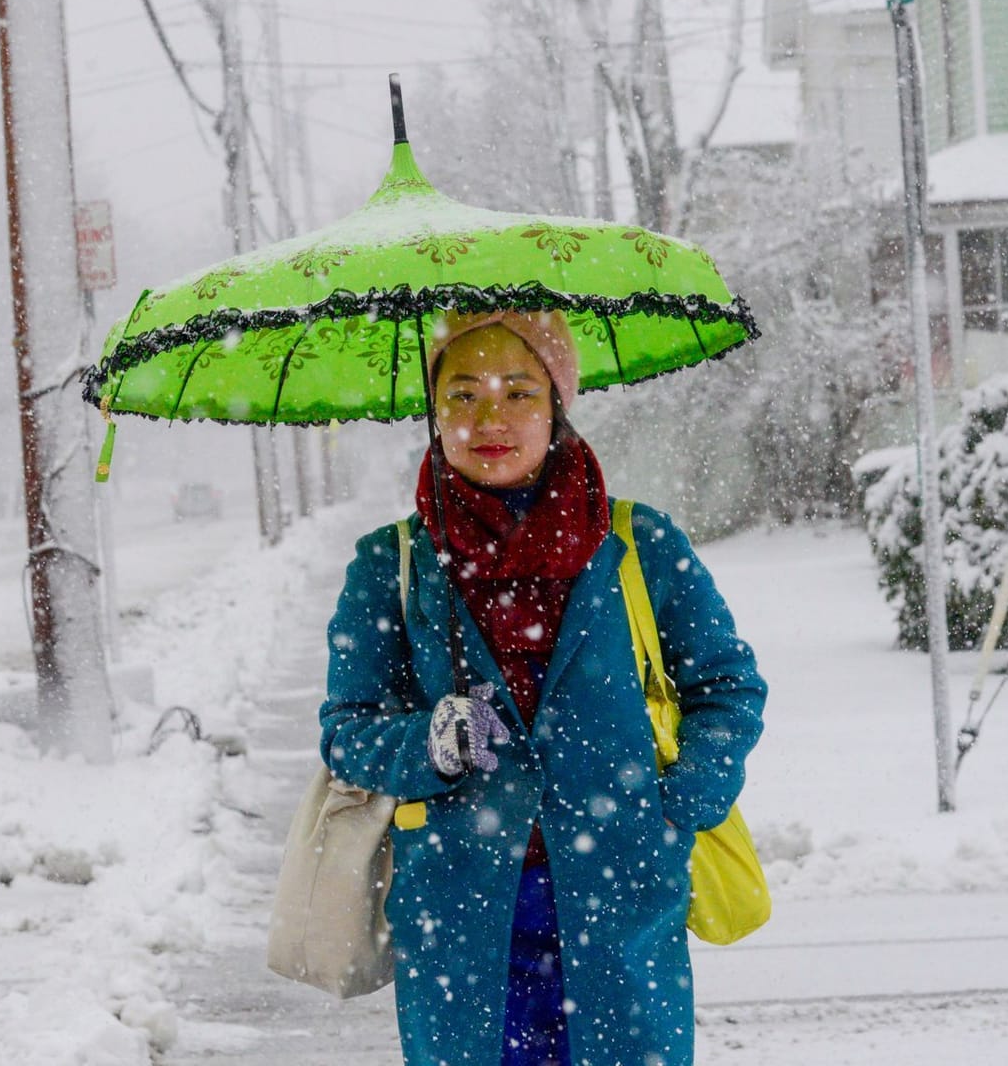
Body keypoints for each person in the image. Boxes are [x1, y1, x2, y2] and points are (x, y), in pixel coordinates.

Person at [319, 310, 768, 1066]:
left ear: (557, 402)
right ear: (433, 409)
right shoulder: (391, 564)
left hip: (620, 893)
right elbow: (347, 728)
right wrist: (425, 742)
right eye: (462, 394)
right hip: (459, 913)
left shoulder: (639, 543)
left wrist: (684, 800)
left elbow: (727, 686)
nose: (489, 418)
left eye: (519, 392)